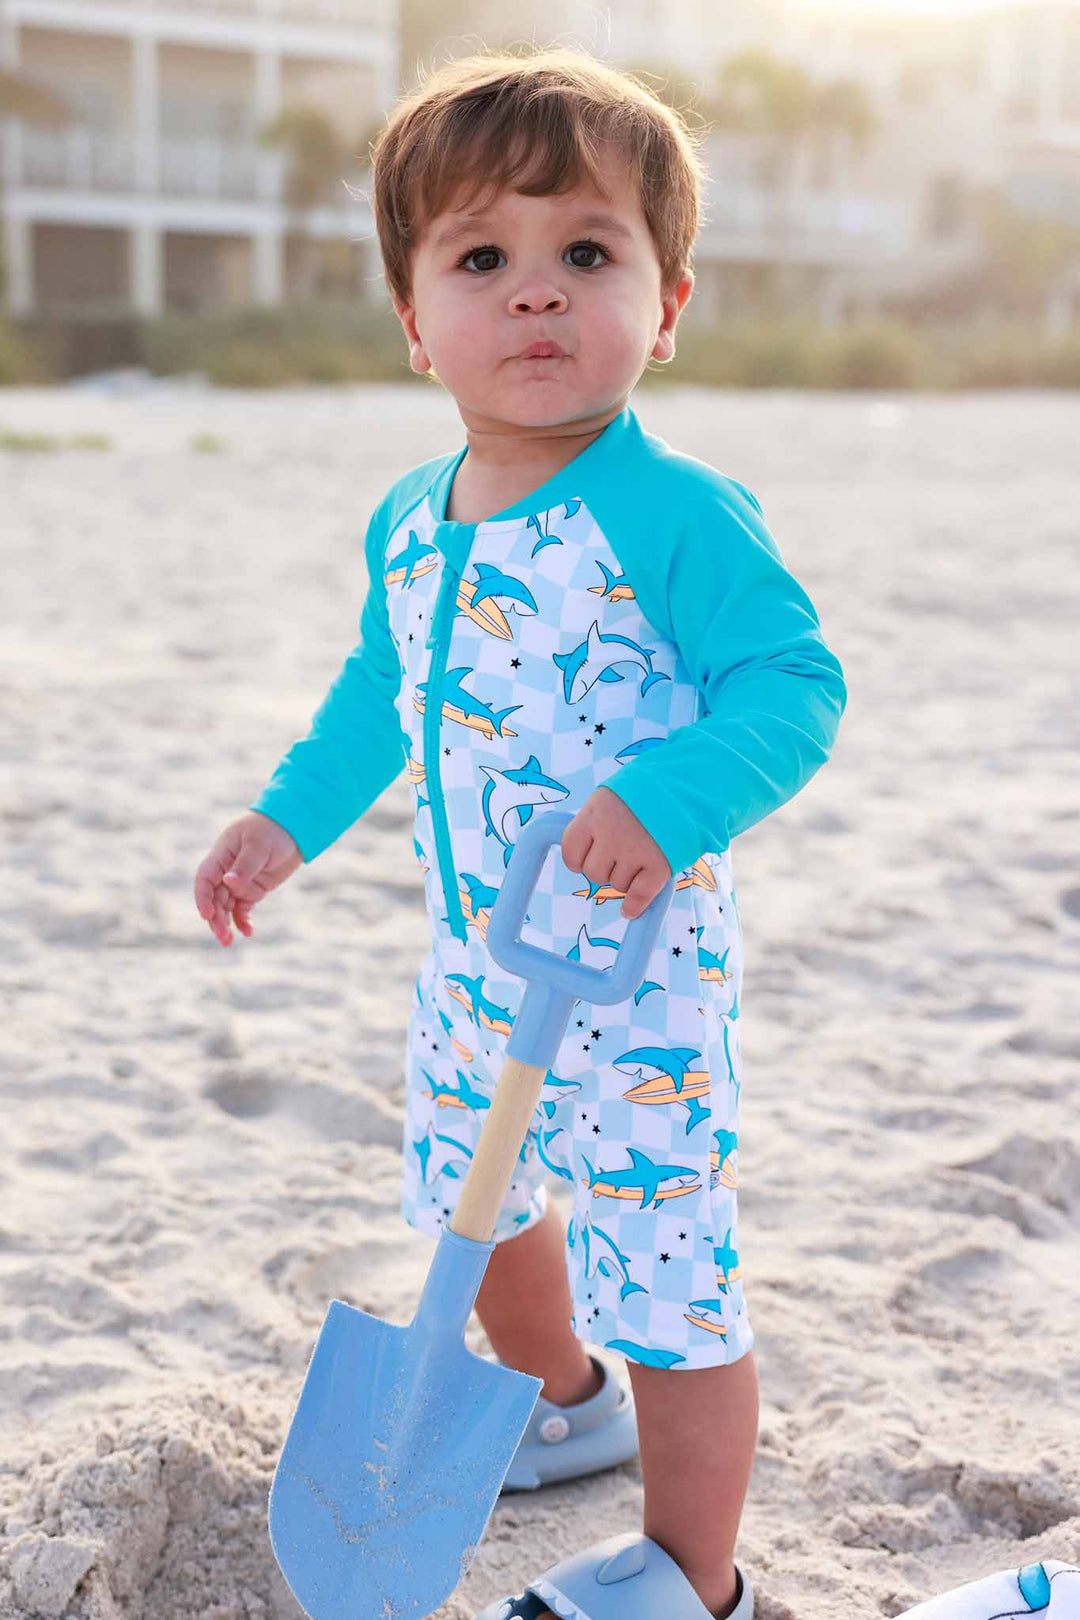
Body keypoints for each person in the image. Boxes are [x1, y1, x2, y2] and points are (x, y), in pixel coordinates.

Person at [193, 46, 847, 1620]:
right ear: (419, 324)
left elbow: (796, 682)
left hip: (638, 977)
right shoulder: (413, 515)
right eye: (483, 258)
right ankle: (560, 1405)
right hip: (474, 959)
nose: (536, 295)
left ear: (668, 304)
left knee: (665, 1271)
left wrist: (667, 801)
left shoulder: (674, 511)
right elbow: (377, 690)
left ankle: (695, 1577)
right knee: (471, 1202)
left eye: (588, 254)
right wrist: (287, 822)